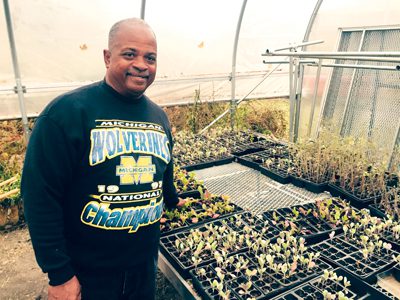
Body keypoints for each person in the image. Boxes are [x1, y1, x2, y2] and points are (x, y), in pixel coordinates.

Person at [21, 18, 184, 300]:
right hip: (89, 275)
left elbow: (163, 168)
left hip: (143, 269)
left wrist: (171, 198)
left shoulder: (158, 117)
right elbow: (40, 195)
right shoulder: (67, 113)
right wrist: (59, 274)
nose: (142, 65)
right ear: (108, 58)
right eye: (130, 54)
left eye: (150, 57)